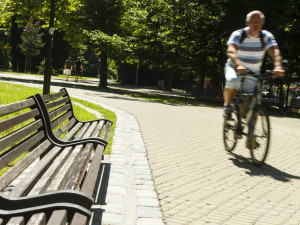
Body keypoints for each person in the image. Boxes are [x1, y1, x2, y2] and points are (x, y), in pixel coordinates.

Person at [223, 10, 285, 119]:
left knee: (253, 106)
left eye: (259, 22)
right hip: (234, 67)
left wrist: (278, 66)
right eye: (254, 21)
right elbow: (231, 51)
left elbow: (275, 52)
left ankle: (252, 135)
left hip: (253, 72)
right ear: (247, 22)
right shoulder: (238, 34)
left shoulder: (266, 36)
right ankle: (227, 106)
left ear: (262, 23)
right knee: (233, 81)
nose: (256, 24)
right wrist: (238, 65)